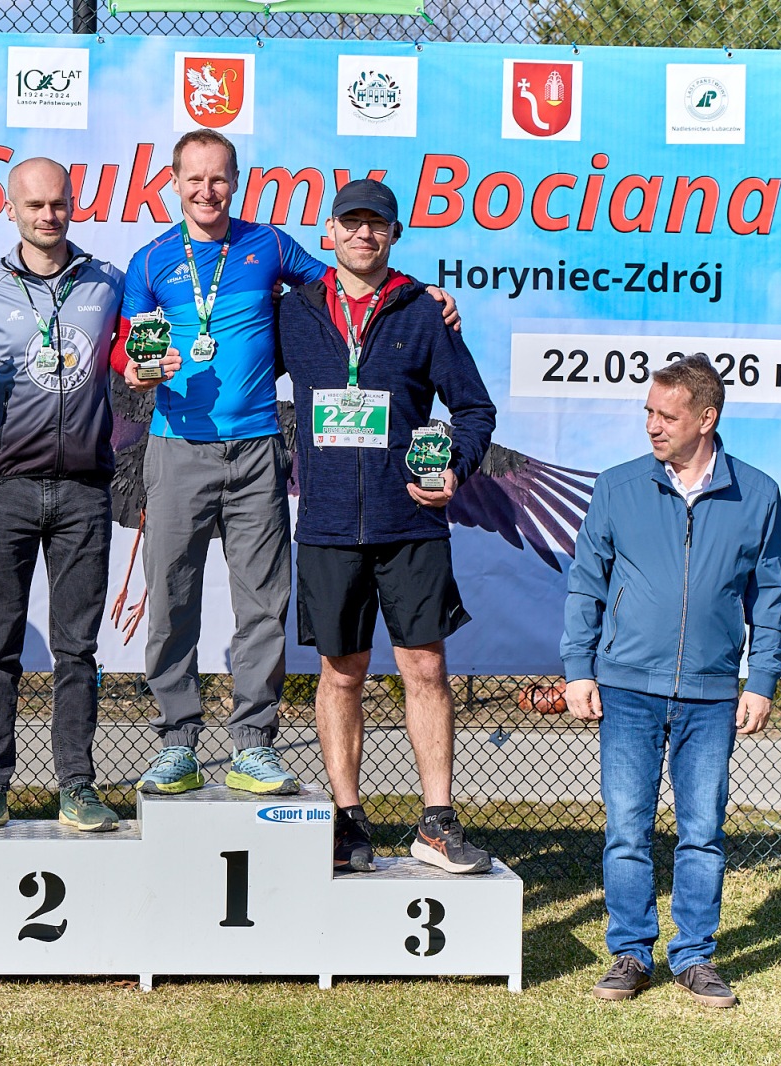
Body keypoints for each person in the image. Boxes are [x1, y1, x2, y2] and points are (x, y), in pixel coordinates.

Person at [109, 131, 460, 796]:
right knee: (173, 599)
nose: (207, 191)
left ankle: (253, 744)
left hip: (258, 446)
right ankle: (178, 741)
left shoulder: (268, 244)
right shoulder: (150, 260)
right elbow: (129, 344)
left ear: (235, 182)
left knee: (263, 603)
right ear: (173, 183)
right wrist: (135, 366)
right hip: (176, 444)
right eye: (194, 179)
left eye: (219, 178)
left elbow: (346, 281)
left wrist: (424, 295)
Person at [0, 157, 162, 833]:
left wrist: (144, 368)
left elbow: (133, 353)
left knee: (77, 650)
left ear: (72, 205)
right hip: (5, 489)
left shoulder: (107, 282)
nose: (48, 216)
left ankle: (76, 787)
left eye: (58, 204)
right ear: (11, 210)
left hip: (85, 490)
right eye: (34, 206)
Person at [276, 178, 496, 874]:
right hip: (327, 524)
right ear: (329, 233)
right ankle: (347, 821)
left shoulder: (423, 311)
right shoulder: (294, 312)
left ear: (395, 235)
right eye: (352, 223)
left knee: (425, 667)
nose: (364, 234)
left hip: (410, 522)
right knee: (340, 673)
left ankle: (436, 821)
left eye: (378, 224)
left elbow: (474, 410)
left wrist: (454, 466)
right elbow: (237, 361)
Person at [561, 355, 781, 1008]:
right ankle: (631, 954)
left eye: (667, 415)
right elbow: (586, 583)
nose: (652, 425)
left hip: (712, 694)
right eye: (648, 412)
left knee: (702, 832)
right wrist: (579, 669)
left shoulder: (759, 494)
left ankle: (694, 957)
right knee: (627, 830)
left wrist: (761, 679)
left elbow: (772, 595)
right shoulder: (618, 487)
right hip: (627, 689)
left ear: (706, 418)